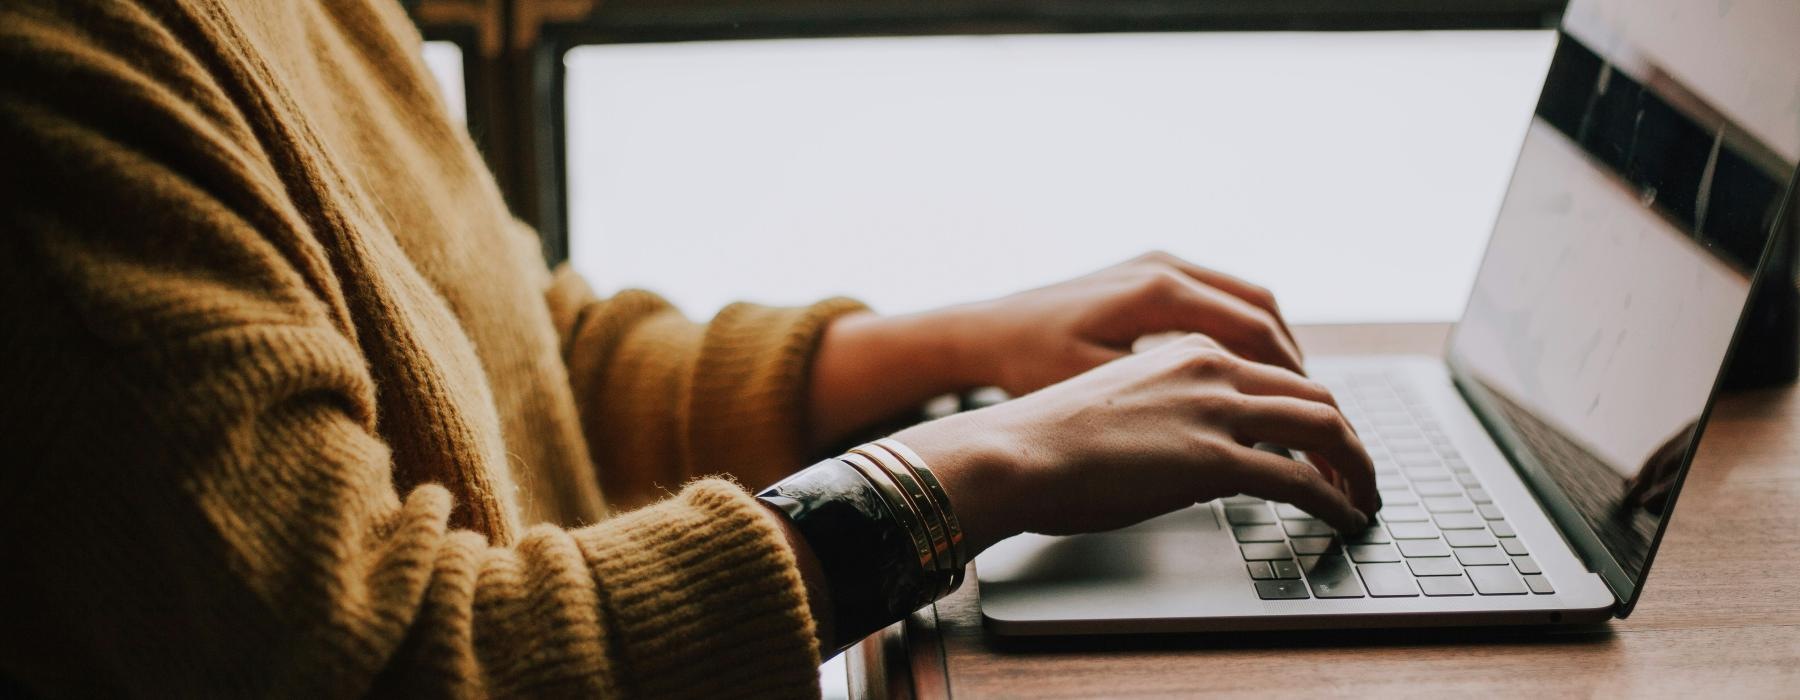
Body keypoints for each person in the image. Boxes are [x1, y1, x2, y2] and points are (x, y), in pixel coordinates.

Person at [0, 0, 1377, 696]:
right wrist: (969, 469)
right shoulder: (55, 72)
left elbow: (529, 354)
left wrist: (960, 346)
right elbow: (402, 662)